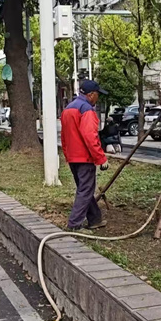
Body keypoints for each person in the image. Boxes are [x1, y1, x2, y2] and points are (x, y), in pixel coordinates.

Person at [61, 80, 110, 231]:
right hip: (84, 158)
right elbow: (90, 136)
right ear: (90, 95)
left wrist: (67, 154)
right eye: (97, 95)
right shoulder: (86, 109)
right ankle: (74, 224)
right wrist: (101, 158)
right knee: (85, 190)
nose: (98, 98)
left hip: (73, 157)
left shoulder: (68, 108)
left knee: (85, 189)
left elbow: (64, 136)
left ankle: (95, 219)